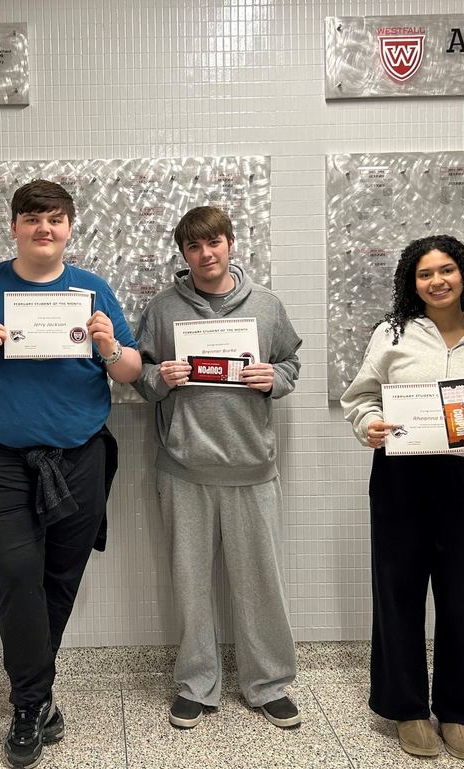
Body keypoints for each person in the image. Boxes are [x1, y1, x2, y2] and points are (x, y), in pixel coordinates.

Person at [0, 180, 141, 769]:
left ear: (70, 227)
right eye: (32, 219)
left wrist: (107, 346)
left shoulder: (92, 288)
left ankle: (35, 691)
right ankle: (30, 702)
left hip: (78, 455)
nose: (44, 229)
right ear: (14, 226)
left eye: (55, 219)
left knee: (59, 577)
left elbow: (130, 370)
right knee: (18, 570)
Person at [340, 234, 464, 760]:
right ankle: (407, 711)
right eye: (425, 274)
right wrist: (371, 424)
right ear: (411, 282)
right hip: (400, 479)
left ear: (463, 274)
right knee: (397, 595)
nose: (437, 281)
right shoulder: (392, 335)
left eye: (446, 270)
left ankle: (462, 711)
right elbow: (359, 398)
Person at [132, 206, 303, 730]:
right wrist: (162, 376)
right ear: (183, 255)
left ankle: (268, 683)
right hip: (185, 468)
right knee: (190, 584)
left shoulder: (268, 306)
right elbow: (138, 376)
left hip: (252, 467)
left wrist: (273, 377)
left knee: (260, 584)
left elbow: (292, 364)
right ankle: (196, 683)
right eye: (194, 248)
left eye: (214, 244)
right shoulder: (163, 309)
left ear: (231, 244)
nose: (206, 255)